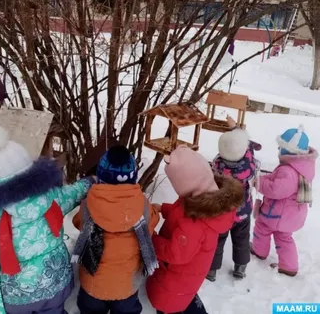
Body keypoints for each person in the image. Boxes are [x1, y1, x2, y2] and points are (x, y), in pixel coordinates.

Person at [0, 124, 95, 314]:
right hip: (56, 282)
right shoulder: (50, 198)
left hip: (17, 296)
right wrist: (89, 182)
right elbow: (71, 194)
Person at [146, 145, 244, 314]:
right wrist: (164, 208)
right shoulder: (203, 200)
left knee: (171, 306)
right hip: (187, 276)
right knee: (185, 299)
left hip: (175, 280)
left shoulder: (195, 222)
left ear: (186, 183)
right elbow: (181, 211)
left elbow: (175, 253)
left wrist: (151, 240)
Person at [72, 145, 160, 314]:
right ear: (133, 176)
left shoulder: (90, 203)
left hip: (93, 283)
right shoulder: (143, 206)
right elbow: (152, 223)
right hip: (126, 286)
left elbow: (78, 222)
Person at [251, 125, 317, 277]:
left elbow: (276, 189)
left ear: (288, 150)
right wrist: (263, 178)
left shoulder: (288, 171)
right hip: (292, 215)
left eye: (281, 147)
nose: (278, 150)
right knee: (284, 238)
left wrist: (259, 183)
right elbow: (275, 179)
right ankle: (289, 266)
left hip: (276, 214)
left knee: (262, 228)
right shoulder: (301, 167)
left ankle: (259, 251)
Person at [206, 116, 261, 281]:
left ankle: (212, 270)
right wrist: (236, 128)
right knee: (242, 240)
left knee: (218, 241)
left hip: (222, 211)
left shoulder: (218, 166)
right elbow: (248, 147)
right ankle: (240, 267)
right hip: (242, 211)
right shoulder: (248, 165)